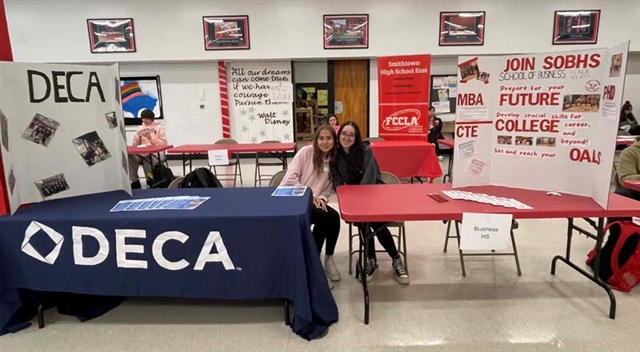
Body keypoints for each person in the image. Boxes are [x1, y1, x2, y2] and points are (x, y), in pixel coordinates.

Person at [332, 121, 409, 285]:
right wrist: (346, 196)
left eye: (351, 135)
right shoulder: (336, 155)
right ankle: (372, 259)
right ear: (339, 136)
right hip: (353, 200)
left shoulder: (365, 150)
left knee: (376, 223)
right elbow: (337, 180)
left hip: (373, 194)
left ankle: (395, 259)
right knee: (363, 223)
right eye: (344, 134)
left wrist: (361, 199)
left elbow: (370, 175)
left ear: (356, 137)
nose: (347, 137)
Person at [280, 125, 341, 288]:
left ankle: (326, 259)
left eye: (329, 138)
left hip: (312, 201)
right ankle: (314, 266)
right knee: (328, 219)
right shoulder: (305, 152)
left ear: (334, 141)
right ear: (315, 140)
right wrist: (310, 195)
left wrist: (321, 198)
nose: (325, 142)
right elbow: (289, 180)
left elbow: (329, 187)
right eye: (321, 138)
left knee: (331, 218)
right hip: (293, 198)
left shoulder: (333, 160)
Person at [129, 109, 168, 189]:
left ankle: (150, 180)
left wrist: (150, 138)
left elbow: (163, 143)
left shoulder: (159, 128)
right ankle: (134, 181)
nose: (144, 120)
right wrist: (137, 139)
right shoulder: (140, 128)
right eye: (143, 118)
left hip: (155, 153)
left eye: (146, 118)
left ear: (151, 118)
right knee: (130, 157)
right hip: (141, 152)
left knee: (147, 158)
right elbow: (134, 145)